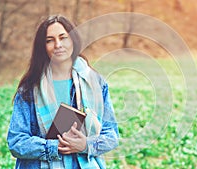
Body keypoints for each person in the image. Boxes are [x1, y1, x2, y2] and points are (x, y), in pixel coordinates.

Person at [7, 14, 119, 169]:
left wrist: (85, 144)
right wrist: (54, 147)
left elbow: (111, 135)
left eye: (63, 37)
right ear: (43, 47)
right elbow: (16, 141)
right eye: (49, 40)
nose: (58, 44)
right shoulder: (29, 89)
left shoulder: (96, 83)